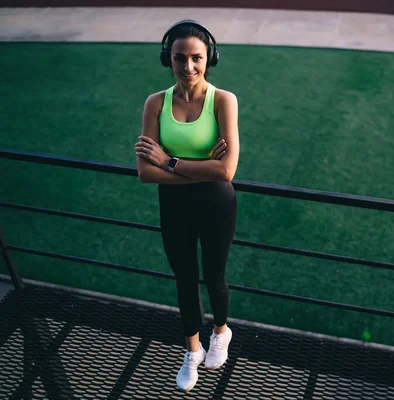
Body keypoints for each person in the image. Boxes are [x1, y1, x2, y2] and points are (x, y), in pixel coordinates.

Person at [134, 20, 239, 392]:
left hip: (217, 204)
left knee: (214, 276)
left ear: (210, 58)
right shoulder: (155, 103)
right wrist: (202, 168)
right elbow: (145, 173)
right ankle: (192, 351)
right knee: (184, 279)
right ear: (168, 59)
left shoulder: (224, 101)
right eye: (180, 58)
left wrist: (171, 161)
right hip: (174, 204)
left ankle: (221, 332)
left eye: (197, 58)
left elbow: (227, 170)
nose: (189, 67)